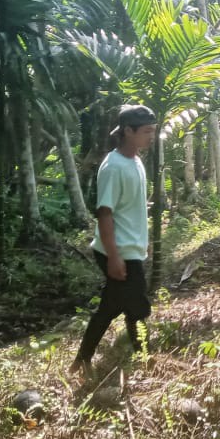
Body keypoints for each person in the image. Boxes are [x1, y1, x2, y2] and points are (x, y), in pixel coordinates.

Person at [70, 104, 157, 377]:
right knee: (137, 306)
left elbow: (132, 208)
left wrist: (143, 240)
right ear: (128, 131)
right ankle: (143, 358)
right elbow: (104, 213)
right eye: (146, 131)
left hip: (130, 248)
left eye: (153, 131)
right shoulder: (113, 166)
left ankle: (83, 360)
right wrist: (114, 256)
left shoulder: (136, 160)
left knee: (115, 306)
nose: (151, 136)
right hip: (117, 250)